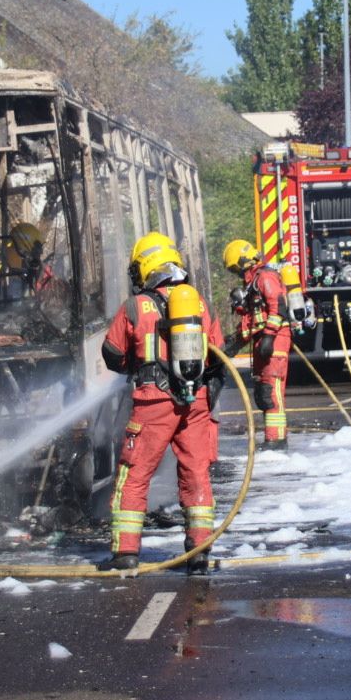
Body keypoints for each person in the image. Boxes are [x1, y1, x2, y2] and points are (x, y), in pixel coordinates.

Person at [101, 232, 225, 574]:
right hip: (196, 402)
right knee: (196, 473)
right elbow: (217, 353)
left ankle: (125, 553)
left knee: (134, 474)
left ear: (144, 269)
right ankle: (199, 550)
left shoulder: (135, 307)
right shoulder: (200, 303)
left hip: (153, 401)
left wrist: (137, 364)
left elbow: (112, 353)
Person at [224, 238, 292, 451]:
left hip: (275, 342)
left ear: (242, 262)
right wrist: (234, 343)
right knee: (263, 393)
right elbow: (253, 320)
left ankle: (277, 441)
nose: (235, 273)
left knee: (271, 393)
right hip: (263, 342)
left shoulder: (265, 277)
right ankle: (271, 439)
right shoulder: (253, 283)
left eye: (235, 268)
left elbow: (277, 307)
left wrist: (270, 337)